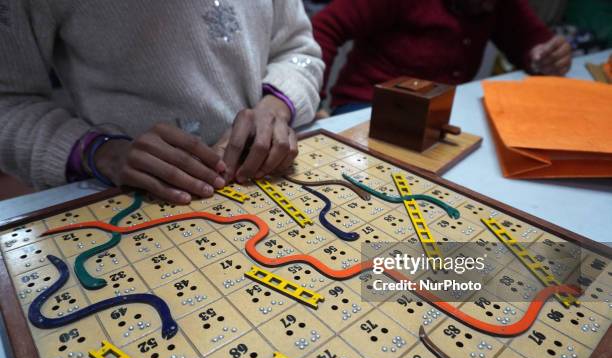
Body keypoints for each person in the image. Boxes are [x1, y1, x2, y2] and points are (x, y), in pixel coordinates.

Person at [0, 0, 323, 204]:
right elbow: (8, 102)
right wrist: (101, 153)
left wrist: (275, 106)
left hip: (259, 179)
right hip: (131, 199)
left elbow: (297, 50)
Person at [312, 0, 572, 115]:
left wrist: (544, 56)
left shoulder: (493, 3)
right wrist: (313, 104)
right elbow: (324, 28)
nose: (488, 7)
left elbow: (529, 39)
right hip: (368, 105)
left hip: (438, 110)